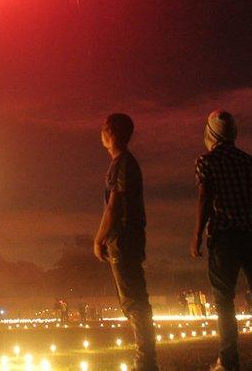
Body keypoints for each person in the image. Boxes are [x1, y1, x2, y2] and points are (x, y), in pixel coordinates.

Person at [190, 110, 252, 371]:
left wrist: (197, 234)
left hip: (224, 238)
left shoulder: (207, 162)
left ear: (210, 133)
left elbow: (205, 199)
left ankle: (228, 361)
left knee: (223, 301)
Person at [93, 113, 158, 371]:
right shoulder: (121, 163)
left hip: (123, 237)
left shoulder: (123, 164)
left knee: (133, 301)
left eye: (103, 129)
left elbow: (114, 206)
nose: (101, 134)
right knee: (133, 299)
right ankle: (145, 359)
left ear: (111, 134)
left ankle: (146, 362)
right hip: (124, 236)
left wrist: (99, 239)